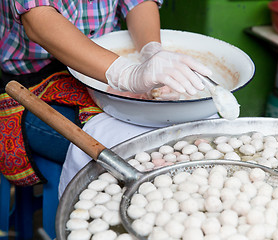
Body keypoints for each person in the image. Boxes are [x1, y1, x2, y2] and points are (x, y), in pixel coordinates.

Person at [0, 0, 212, 187]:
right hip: (31, 81)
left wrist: (151, 51)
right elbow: (38, 21)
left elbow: (138, 2)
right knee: (135, 154)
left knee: (196, 136)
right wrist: (128, 74)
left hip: (104, 60)